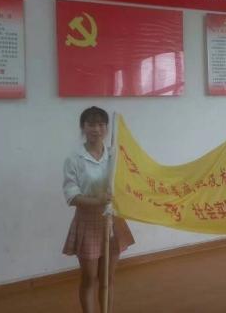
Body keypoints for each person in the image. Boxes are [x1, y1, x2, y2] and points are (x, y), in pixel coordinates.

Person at [62, 106, 135, 313]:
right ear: (83, 127)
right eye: (91, 124)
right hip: (88, 221)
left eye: (101, 124)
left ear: (107, 128)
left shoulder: (115, 155)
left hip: (112, 221)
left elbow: (128, 183)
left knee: (108, 278)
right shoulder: (74, 159)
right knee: (89, 278)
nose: (97, 129)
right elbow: (72, 197)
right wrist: (98, 200)